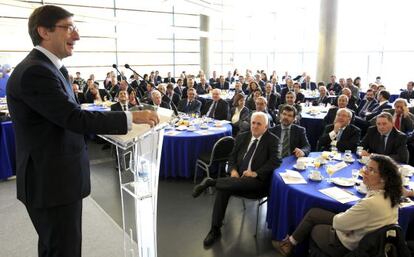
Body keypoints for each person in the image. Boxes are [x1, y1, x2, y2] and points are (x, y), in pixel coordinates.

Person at [5, 6, 159, 257]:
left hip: (55, 179)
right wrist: (131, 117)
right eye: (69, 28)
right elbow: (73, 117)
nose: (77, 36)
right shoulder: (36, 71)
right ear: (44, 31)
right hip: (50, 183)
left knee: (54, 248)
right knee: (62, 250)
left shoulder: (52, 68)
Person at [273, 154, 402, 257]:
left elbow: (340, 224)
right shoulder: (392, 197)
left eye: (371, 170)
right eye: (366, 167)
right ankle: (289, 244)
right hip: (369, 241)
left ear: (383, 178)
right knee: (314, 213)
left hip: (349, 245)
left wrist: (346, 221)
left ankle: (294, 247)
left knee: (315, 227)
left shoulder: (371, 203)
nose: (364, 172)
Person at [192, 112, 281, 247]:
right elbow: (232, 157)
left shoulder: (273, 140)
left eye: (259, 124)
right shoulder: (243, 136)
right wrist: (233, 170)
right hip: (236, 179)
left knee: (225, 185)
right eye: (253, 123)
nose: (255, 126)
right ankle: (214, 230)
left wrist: (255, 173)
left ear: (266, 127)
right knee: (223, 189)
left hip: (257, 183)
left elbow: (275, 161)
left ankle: (212, 182)